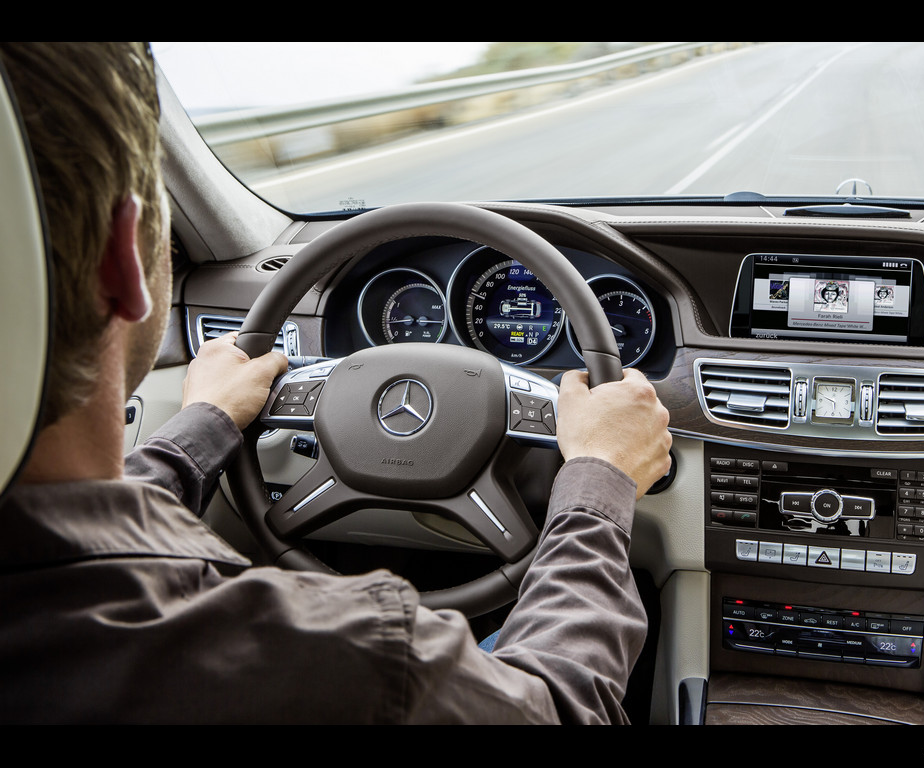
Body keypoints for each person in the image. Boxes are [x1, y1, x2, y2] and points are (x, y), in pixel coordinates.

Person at [0, 42, 672, 723]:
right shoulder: (365, 663)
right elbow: (555, 706)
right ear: (125, 262)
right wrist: (598, 475)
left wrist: (204, 420)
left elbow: (79, 537)